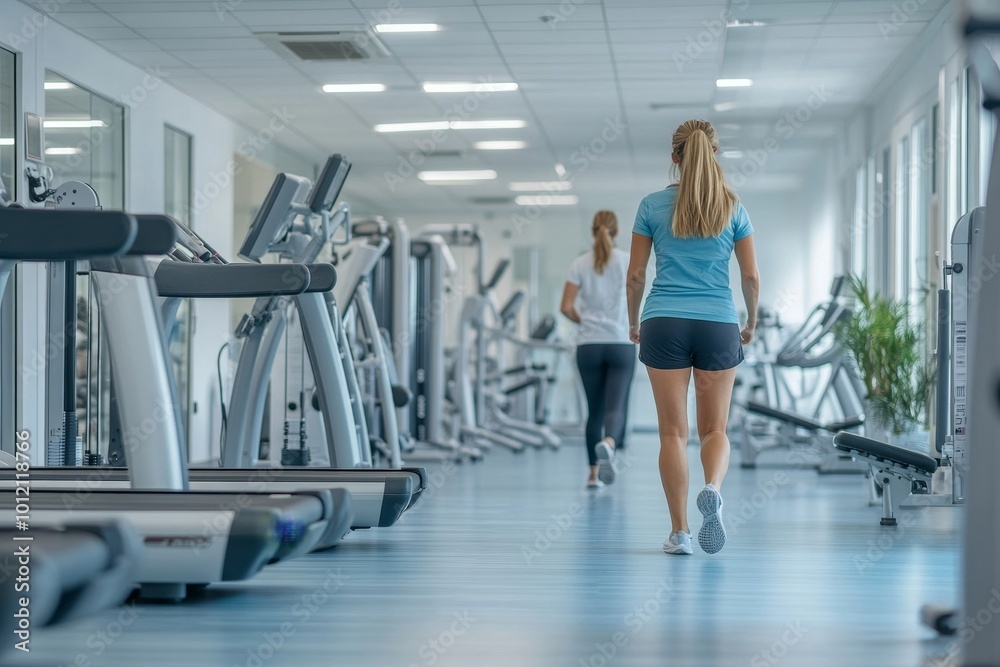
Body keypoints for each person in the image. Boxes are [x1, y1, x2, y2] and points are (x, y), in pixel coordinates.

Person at [627, 119, 760, 555]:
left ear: (674, 158)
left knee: (671, 432)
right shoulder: (733, 207)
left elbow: (635, 275)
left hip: (663, 321)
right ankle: (714, 490)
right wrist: (751, 322)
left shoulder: (651, 205)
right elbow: (751, 276)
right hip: (718, 323)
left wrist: (633, 320)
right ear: (714, 154)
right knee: (714, 429)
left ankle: (680, 533)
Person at [561, 210, 636, 489]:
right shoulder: (628, 260)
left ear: (593, 231)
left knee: (594, 411)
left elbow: (566, 307)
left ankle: (593, 475)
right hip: (620, 342)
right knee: (615, 408)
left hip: (588, 345)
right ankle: (609, 442)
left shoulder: (579, 263)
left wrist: (587, 322)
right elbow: (638, 295)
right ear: (616, 232)